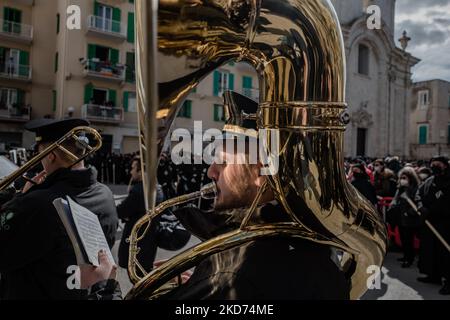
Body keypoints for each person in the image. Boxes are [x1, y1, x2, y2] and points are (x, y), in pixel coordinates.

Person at [83, 91, 350, 300]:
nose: (211, 171)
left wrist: (103, 287)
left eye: (222, 162)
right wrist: (201, 284)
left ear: (262, 171)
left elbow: (242, 285)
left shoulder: (234, 270)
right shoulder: (311, 241)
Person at [0, 118, 118, 300]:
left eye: (40, 153)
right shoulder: (106, 195)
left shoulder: (37, 203)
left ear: (50, 155)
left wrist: (20, 199)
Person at [117, 157, 164, 279]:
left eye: (133, 168)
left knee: (137, 280)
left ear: (140, 171)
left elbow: (121, 211)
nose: (131, 172)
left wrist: (127, 215)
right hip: (149, 245)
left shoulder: (139, 191)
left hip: (136, 245)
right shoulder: (157, 188)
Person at [415, 156, 450, 295]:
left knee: (445, 254)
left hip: (445, 224)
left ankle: (448, 281)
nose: (434, 166)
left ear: (445, 165)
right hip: (429, 223)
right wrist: (420, 206)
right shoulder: (429, 180)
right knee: (431, 250)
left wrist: (431, 210)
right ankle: (433, 275)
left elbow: (445, 201)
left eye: (438, 164)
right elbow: (419, 193)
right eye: (433, 164)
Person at [386, 167, 420, 268]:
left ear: (410, 178)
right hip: (400, 218)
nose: (402, 180)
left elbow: (417, 202)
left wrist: (410, 212)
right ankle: (405, 256)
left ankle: (409, 259)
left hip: (410, 219)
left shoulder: (415, 188)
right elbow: (395, 200)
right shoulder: (400, 188)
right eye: (401, 178)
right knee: (403, 238)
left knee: (408, 239)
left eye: (404, 178)